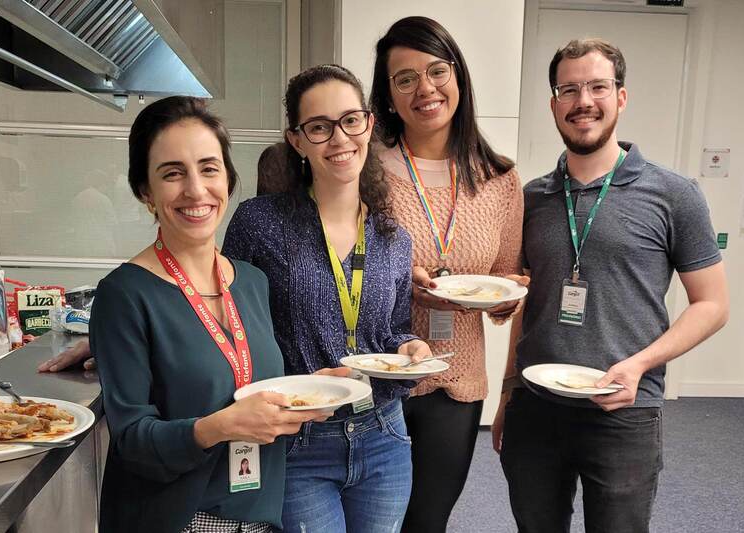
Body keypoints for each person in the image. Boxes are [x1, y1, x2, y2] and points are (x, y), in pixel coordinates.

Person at [492, 38, 730, 533]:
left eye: (598, 86)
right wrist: (507, 396)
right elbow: (524, 304)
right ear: (553, 103)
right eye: (569, 89)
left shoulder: (674, 195)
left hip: (624, 409)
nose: (583, 101)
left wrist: (641, 364)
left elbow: (713, 304)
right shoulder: (531, 198)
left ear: (621, 97)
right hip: (535, 409)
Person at [89, 96, 329, 533]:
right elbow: (131, 439)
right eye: (173, 173)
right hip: (180, 520)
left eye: (208, 168)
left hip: (260, 517)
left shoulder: (252, 282)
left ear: (229, 179)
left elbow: (251, 382)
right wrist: (214, 428)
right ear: (146, 192)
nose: (196, 190)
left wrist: (313, 388)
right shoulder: (123, 295)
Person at [222, 64, 431, 533]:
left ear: (369, 124)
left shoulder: (393, 237)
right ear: (296, 140)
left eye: (350, 120)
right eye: (319, 127)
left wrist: (409, 347)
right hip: (300, 437)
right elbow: (221, 319)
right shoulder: (259, 222)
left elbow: (392, 329)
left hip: (384, 433)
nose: (339, 138)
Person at [368, 16, 527, 533]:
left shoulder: (500, 179)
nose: (425, 89)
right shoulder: (365, 170)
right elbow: (335, 263)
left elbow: (506, 280)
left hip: (459, 377)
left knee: (427, 520)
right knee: (369, 519)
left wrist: (505, 299)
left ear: (458, 78)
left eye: (437, 71)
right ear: (388, 96)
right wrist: (395, 278)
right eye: (405, 78)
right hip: (379, 370)